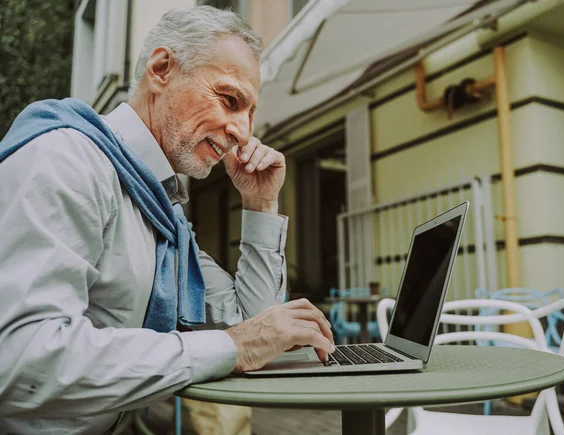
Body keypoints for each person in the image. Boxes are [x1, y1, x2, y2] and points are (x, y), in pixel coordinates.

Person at [0, 6, 334, 434]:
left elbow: (255, 331)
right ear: (161, 70)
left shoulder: (164, 212)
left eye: (249, 112)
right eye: (230, 100)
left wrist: (260, 204)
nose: (244, 132)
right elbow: (21, 359)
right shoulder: (66, 159)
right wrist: (233, 345)